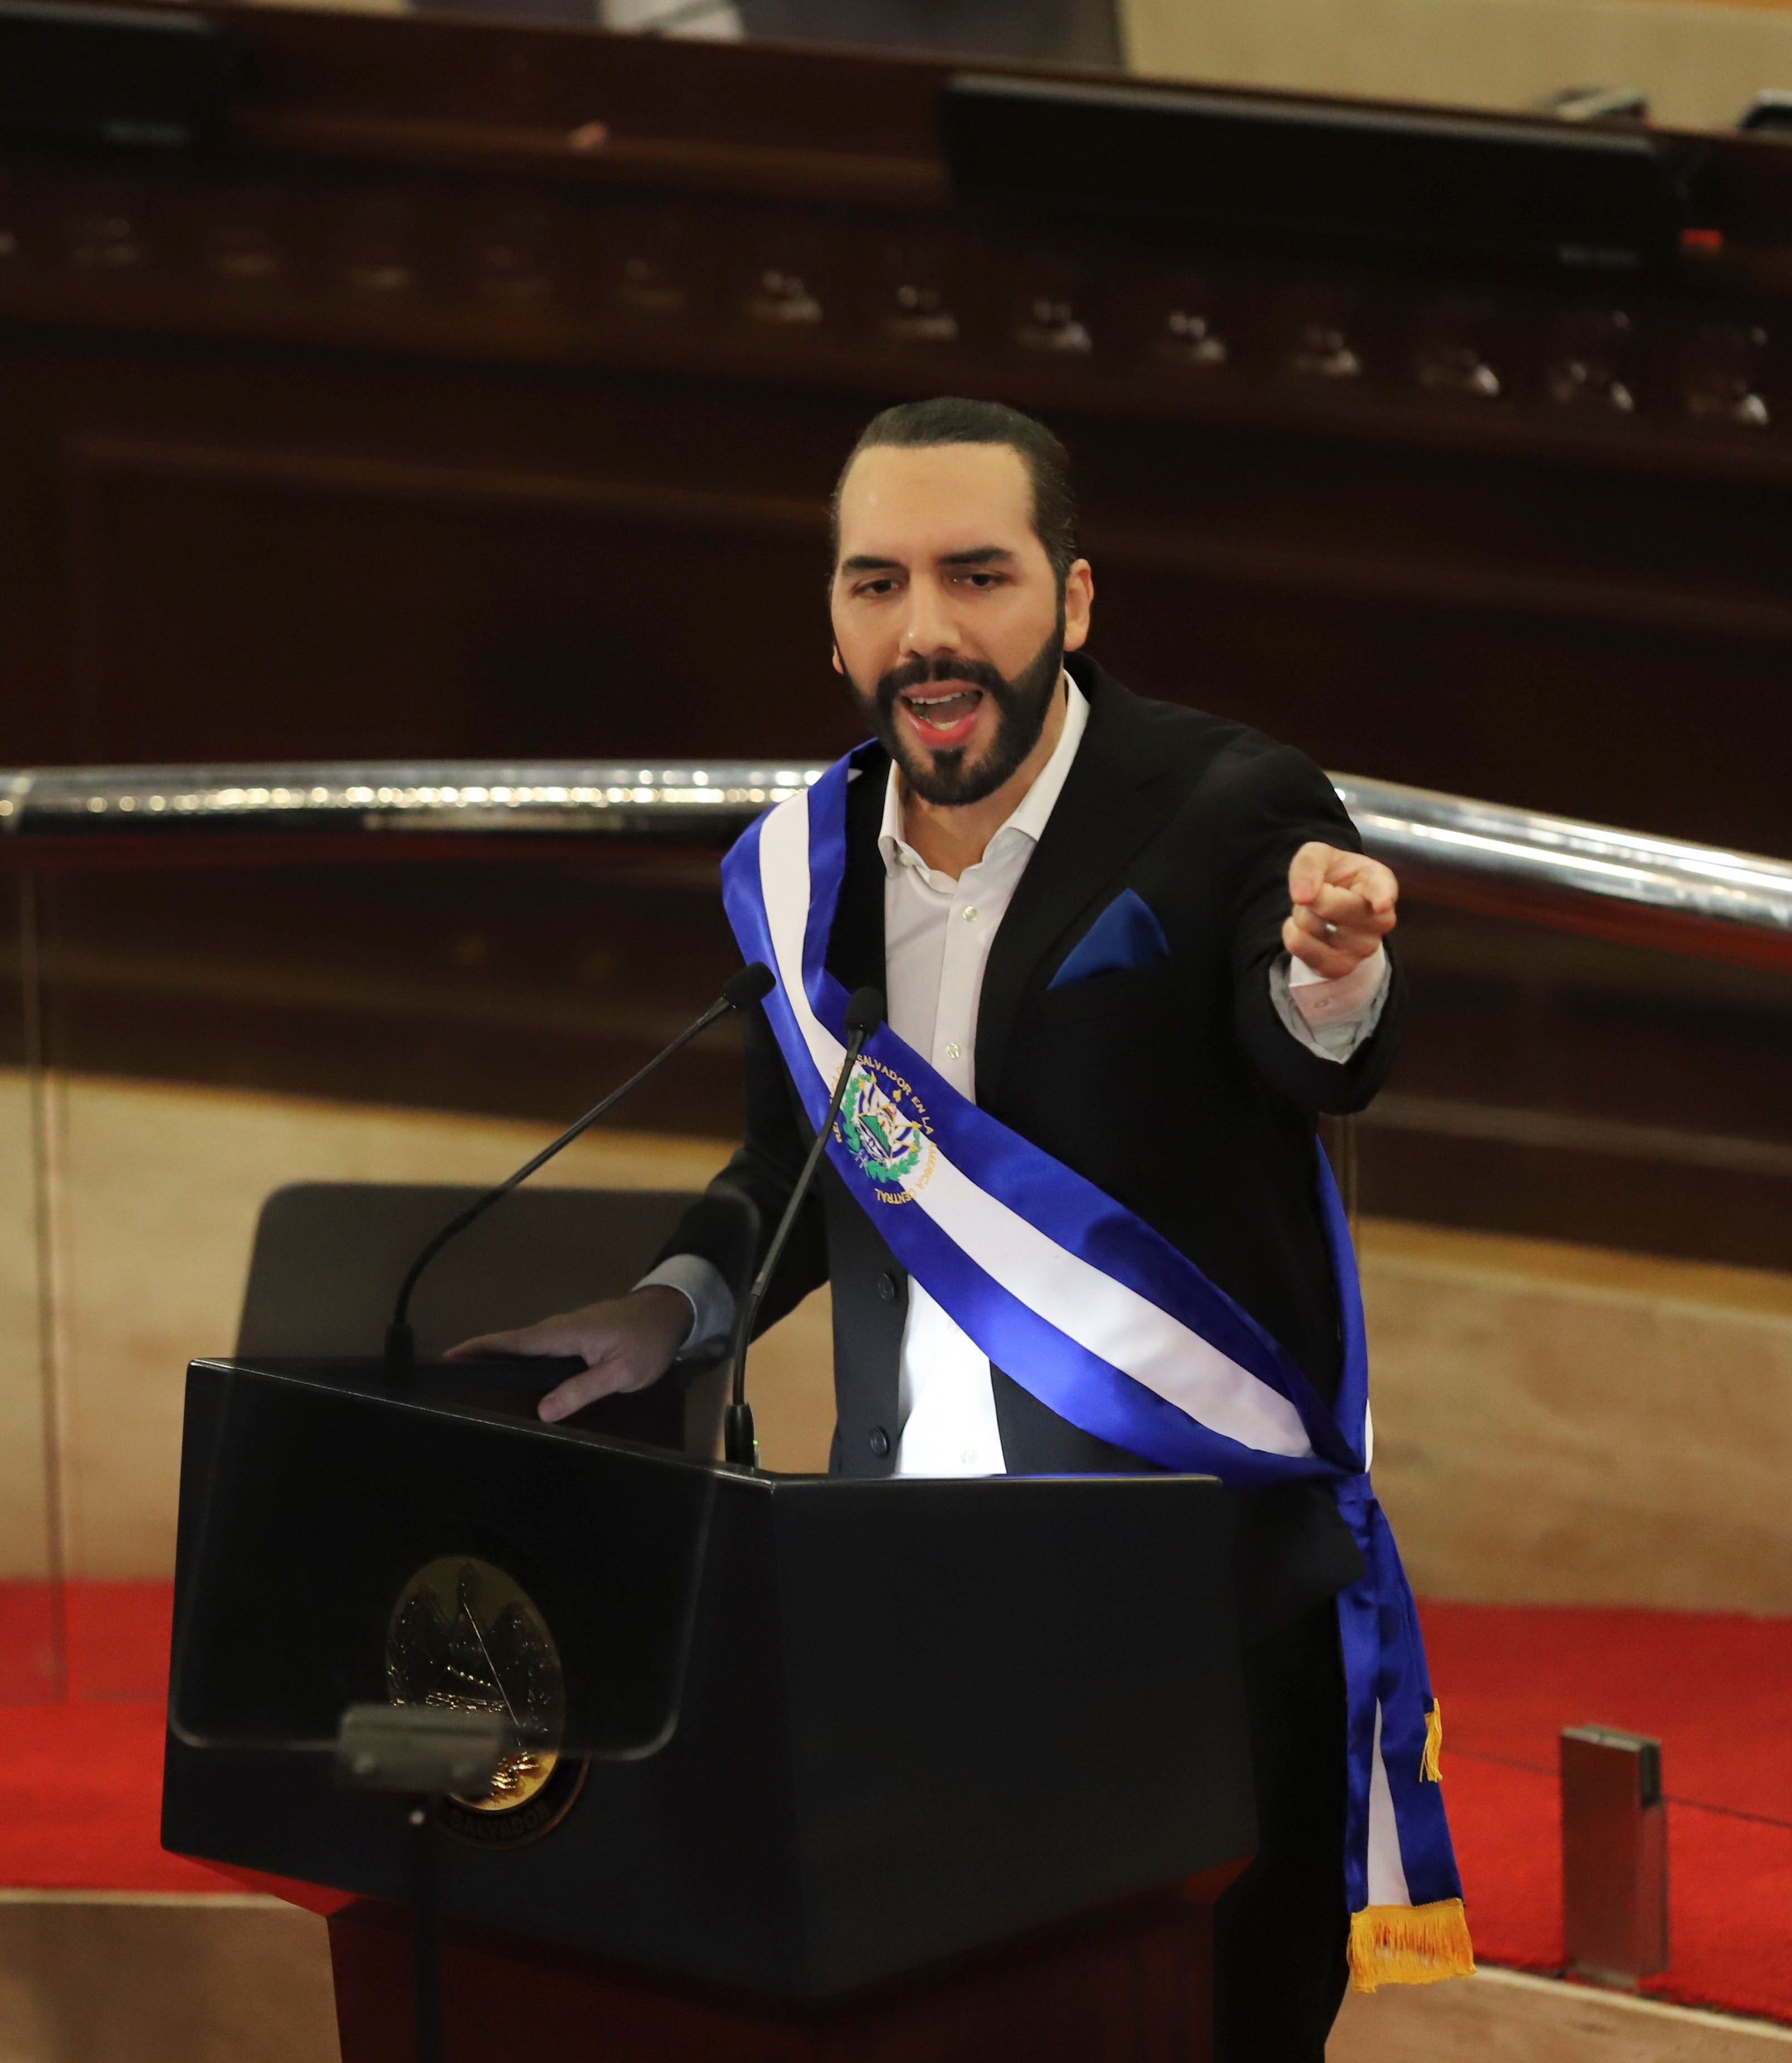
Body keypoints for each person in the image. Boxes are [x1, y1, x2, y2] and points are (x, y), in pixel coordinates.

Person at [459, 396, 1468, 2061]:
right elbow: (802, 1163)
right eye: (878, 583)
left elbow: (1309, 1045)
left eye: (977, 576)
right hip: (898, 1602)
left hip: (1181, 1617)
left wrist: (1335, 969)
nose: (925, 631)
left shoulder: (1222, 800)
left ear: (1073, 599)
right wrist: (678, 1300)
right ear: (835, 617)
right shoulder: (811, 866)